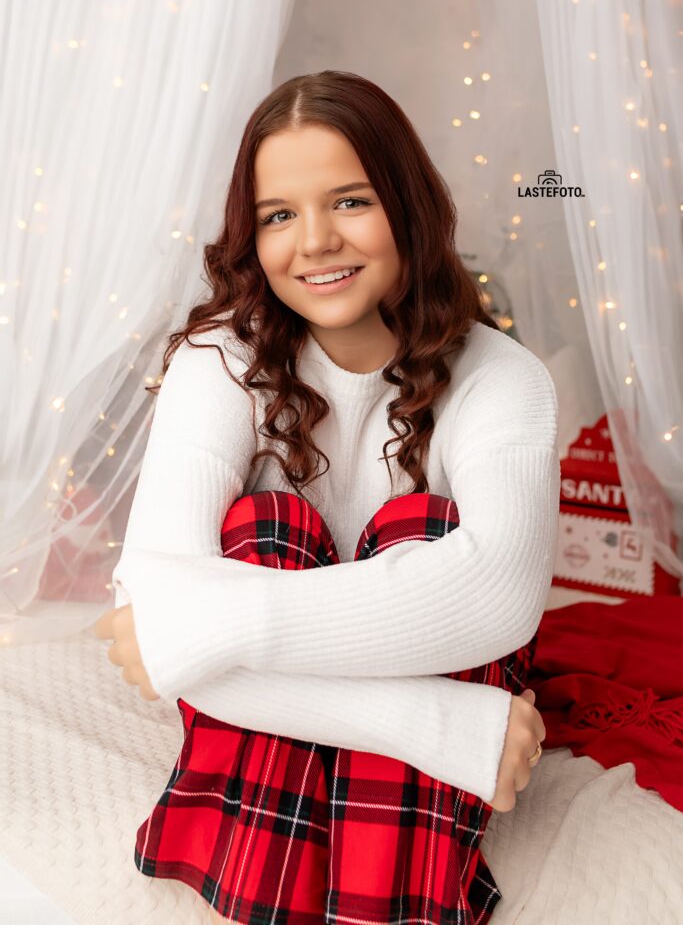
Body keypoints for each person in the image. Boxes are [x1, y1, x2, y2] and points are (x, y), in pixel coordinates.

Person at [95, 70, 557, 924]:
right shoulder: (217, 361)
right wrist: (442, 728)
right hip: (433, 700)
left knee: (421, 524)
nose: (312, 242)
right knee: (268, 527)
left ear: (408, 207)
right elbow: (147, 611)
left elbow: (496, 596)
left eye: (349, 201)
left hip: (435, 650)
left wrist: (206, 626)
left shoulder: (503, 379)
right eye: (278, 215)